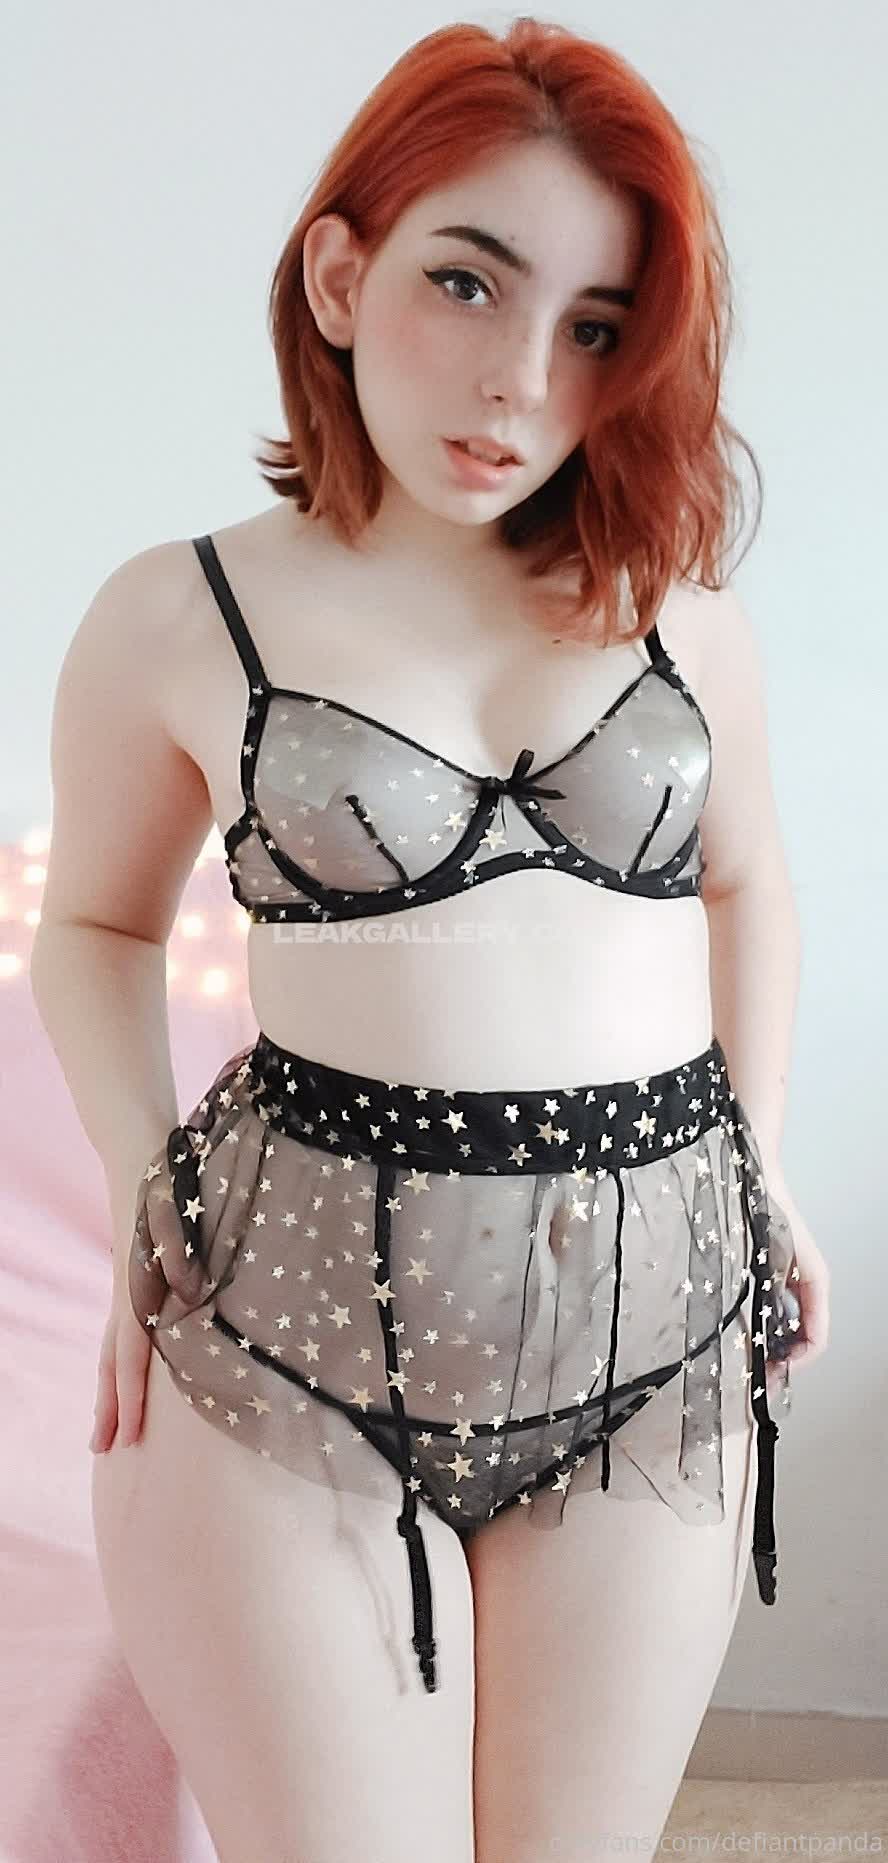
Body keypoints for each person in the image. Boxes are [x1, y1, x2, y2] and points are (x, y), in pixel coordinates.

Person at [30, 18, 830, 1863]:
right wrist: (148, 1180)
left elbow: (749, 885)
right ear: (338, 273)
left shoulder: (677, 615)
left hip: (657, 1317)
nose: (519, 381)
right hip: (288, 1319)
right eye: (466, 281)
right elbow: (92, 922)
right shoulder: (179, 613)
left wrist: (766, 1154)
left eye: (596, 328)